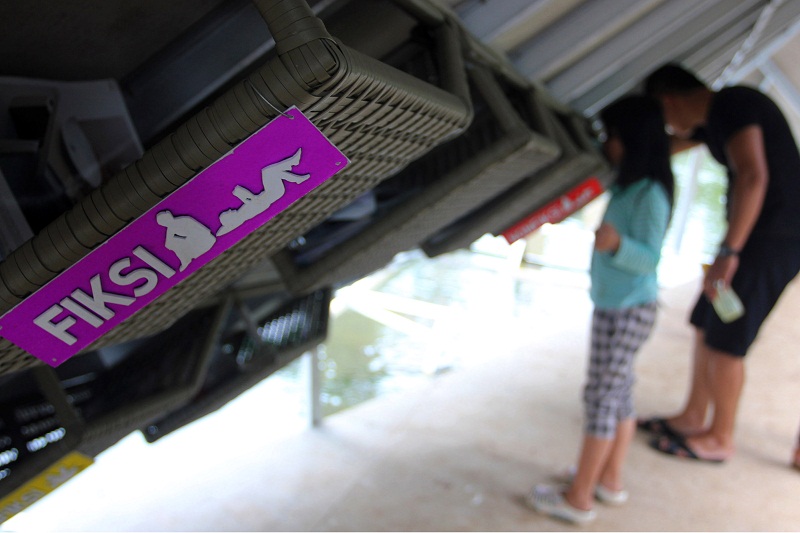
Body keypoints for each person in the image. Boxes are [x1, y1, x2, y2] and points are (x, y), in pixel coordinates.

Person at [640, 63, 800, 464]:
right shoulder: (713, 121)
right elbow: (669, 144)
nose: (669, 125)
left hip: (774, 239)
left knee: (728, 338)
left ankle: (720, 437)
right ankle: (694, 416)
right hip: (756, 238)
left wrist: (728, 253)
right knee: (704, 321)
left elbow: (752, 176)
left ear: (668, 100)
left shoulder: (733, 102)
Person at [527, 95, 674, 524]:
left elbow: (650, 258)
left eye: (613, 136)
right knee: (620, 395)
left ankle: (579, 498)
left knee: (600, 398)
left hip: (627, 310)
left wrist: (617, 245)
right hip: (618, 305)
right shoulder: (629, 185)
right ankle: (608, 480)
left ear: (633, 140)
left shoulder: (650, 195)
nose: (608, 145)